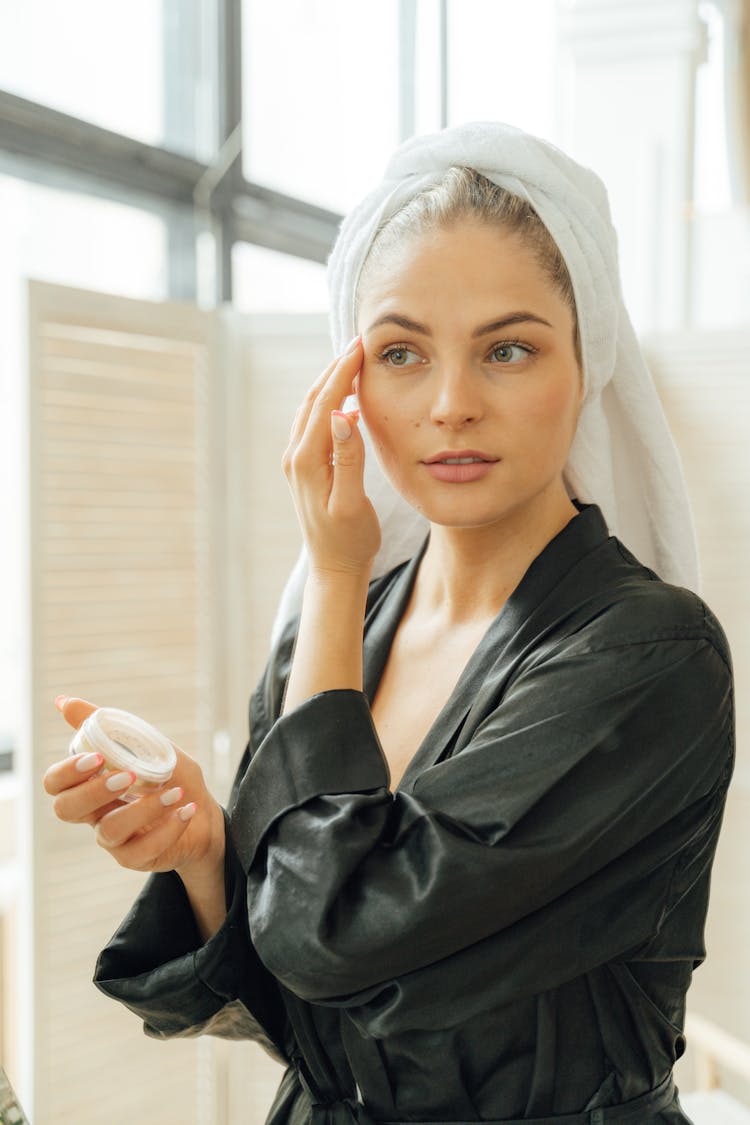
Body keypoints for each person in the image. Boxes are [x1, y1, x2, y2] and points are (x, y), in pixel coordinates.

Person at [44, 122, 734, 1125]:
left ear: (587, 367)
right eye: (402, 352)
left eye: (508, 348)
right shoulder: (343, 631)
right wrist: (202, 855)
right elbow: (305, 1009)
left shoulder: (646, 660)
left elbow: (333, 940)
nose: (452, 404)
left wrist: (332, 566)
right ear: (350, 382)